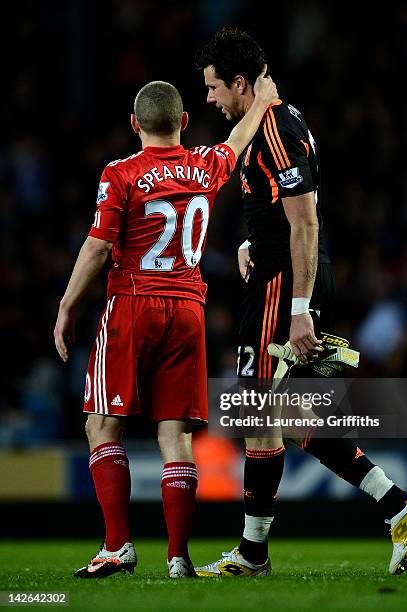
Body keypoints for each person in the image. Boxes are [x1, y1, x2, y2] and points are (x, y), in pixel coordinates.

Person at [194, 27, 407, 577]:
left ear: (238, 83)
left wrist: (299, 306)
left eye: (212, 88)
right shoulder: (268, 122)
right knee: (288, 413)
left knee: (257, 411)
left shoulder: (277, 126)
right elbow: (285, 206)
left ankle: (254, 554)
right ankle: (399, 504)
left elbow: (307, 220)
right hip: (278, 270)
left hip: (285, 284)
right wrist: (253, 238)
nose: (209, 99)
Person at [53, 72, 278, 578]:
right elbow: (234, 144)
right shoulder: (204, 165)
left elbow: (99, 245)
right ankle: (177, 557)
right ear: (182, 121)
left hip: (134, 306)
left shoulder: (121, 173)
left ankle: (117, 547)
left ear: (134, 124)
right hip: (188, 311)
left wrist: (68, 305)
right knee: (174, 435)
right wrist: (262, 102)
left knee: (102, 424)